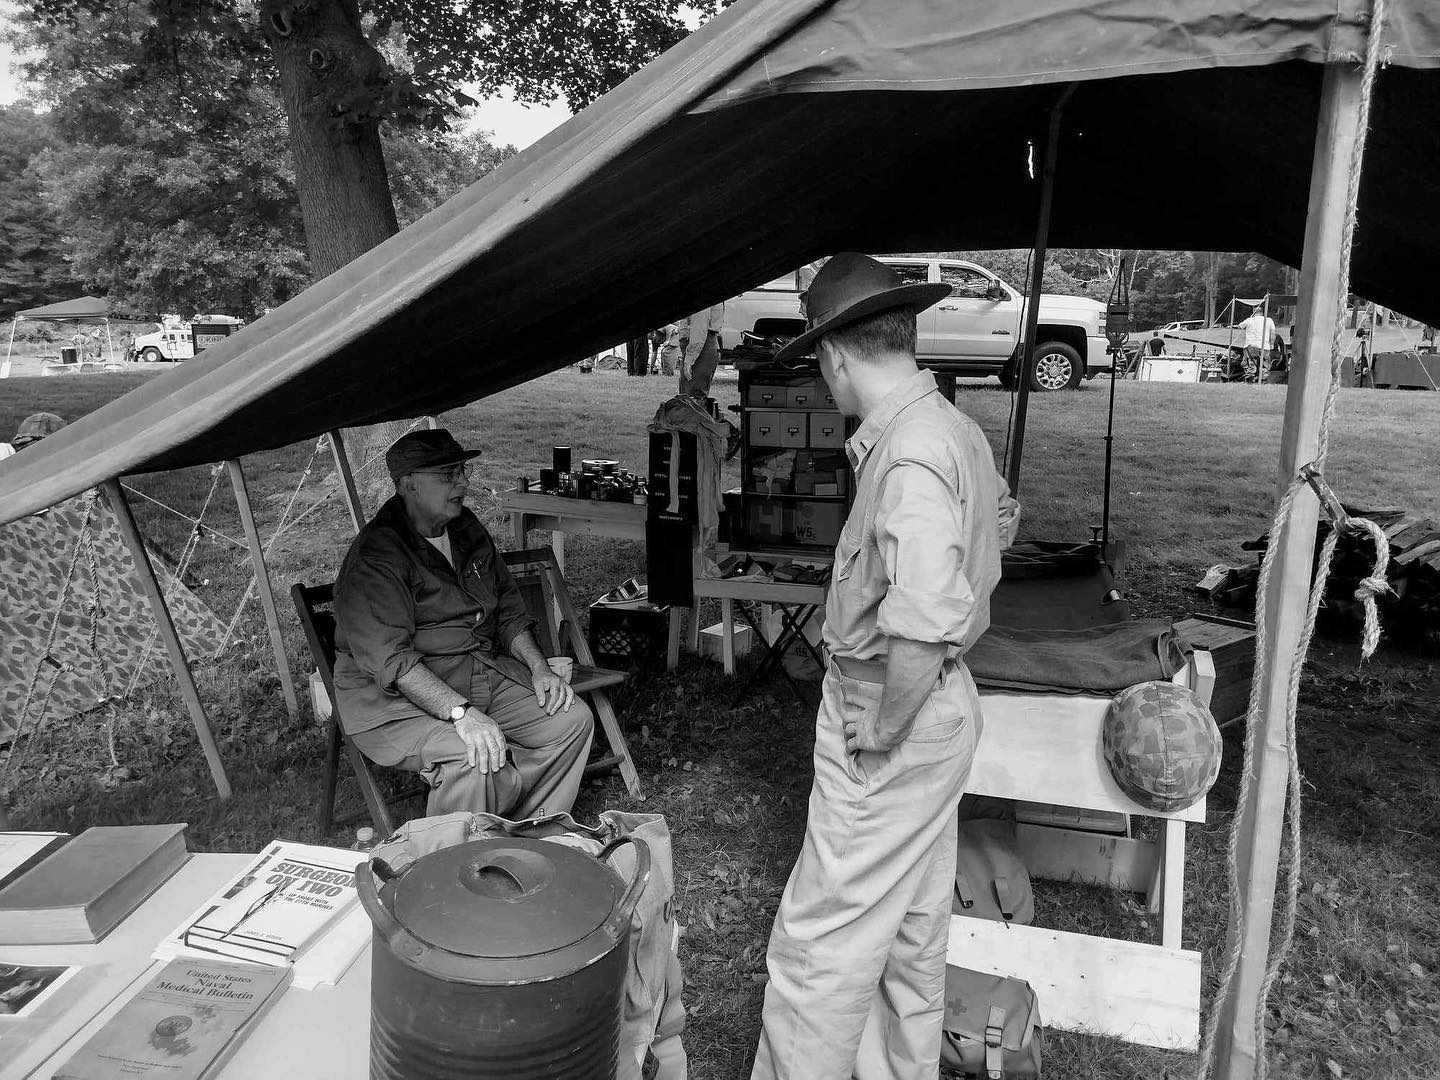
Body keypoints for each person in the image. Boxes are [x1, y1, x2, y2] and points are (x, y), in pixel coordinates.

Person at [750, 253, 1020, 1080]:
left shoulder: (907, 454)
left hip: (895, 711)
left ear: (833, 356)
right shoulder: (951, 428)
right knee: (911, 926)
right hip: (943, 707)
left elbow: (924, 621)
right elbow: (1002, 519)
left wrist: (881, 733)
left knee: (819, 945)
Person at [332, 428, 594, 818]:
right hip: (394, 699)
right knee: (472, 754)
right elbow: (394, 663)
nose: (463, 483)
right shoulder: (377, 557)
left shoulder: (465, 527)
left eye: (462, 471)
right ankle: (455, 858)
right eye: (447, 475)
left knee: (571, 722)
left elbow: (506, 607)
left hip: (479, 669)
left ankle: (523, 826)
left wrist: (539, 668)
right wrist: (462, 714)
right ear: (408, 485)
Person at [678, 303, 724, 398]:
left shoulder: (702, 295)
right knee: (692, 393)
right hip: (704, 344)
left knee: (692, 395)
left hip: (702, 346)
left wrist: (690, 359)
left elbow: (699, 328)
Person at [1237, 307, 1279, 382]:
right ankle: (1263, 382)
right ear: (1262, 312)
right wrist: (1271, 344)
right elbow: (1273, 333)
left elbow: (1239, 326)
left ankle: (1249, 382)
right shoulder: (1269, 320)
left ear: (1253, 312)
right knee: (1264, 366)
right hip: (1265, 346)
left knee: (1250, 365)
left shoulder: (1249, 320)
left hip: (1251, 346)